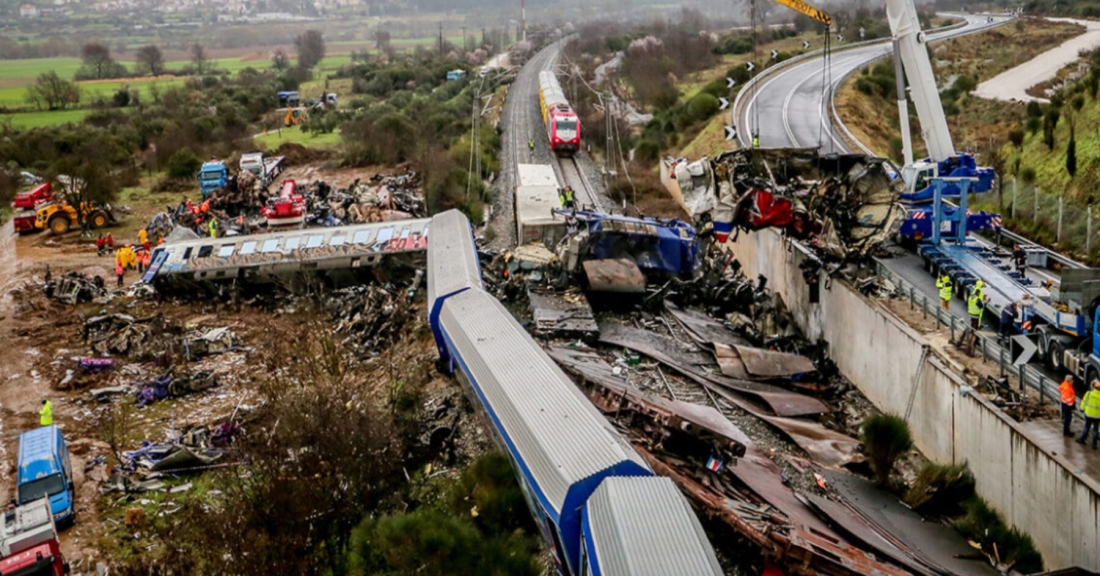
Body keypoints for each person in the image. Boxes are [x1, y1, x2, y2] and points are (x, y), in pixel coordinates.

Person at [1077, 380, 1100, 449]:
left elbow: (1084, 402)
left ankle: (1082, 439)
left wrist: (1081, 409)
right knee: (1096, 429)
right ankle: (1094, 444)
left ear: (1094, 387)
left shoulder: (1089, 393)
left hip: (1089, 414)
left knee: (1087, 426)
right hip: (1098, 416)